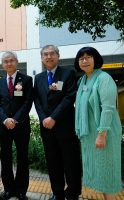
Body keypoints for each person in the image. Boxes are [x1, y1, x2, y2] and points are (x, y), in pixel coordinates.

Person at [34, 45, 81, 200]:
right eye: (45, 54)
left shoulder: (68, 74)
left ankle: (73, 193)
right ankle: (57, 193)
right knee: (53, 163)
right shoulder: (39, 77)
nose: (48, 57)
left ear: (58, 56)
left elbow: (69, 97)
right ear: (42, 58)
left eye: (52, 54)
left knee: (70, 162)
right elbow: (38, 101)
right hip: (47, 129)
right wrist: (44, 119)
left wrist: (53, 118)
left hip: (65, 126)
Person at [74, 47, 122, 200]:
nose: (85, 60)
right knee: (98, 170)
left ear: (96, 59)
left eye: (89, 57)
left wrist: (102, 134)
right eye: (81, 58)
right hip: (90, 134)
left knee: (107, 172)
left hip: (104, 133)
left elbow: (108, 108)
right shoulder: (82, 80)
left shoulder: (103, 78)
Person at [0, 51, 33, 200]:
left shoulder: (27, 80)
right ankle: (9, 189)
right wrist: (5, 120)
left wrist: (15, 119)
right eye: (5, 61)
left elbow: (28, 101)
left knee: (22, 158)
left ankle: (21, 190)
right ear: (2, 64)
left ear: (16, 62)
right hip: (5, 127)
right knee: (6, 158)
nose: (8, 63)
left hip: (21, 125)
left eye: (11, 60)